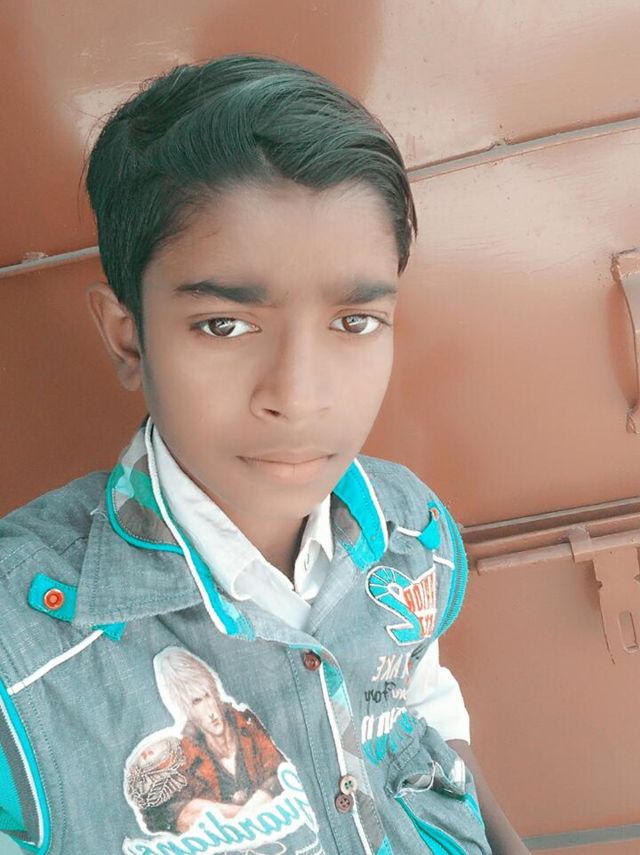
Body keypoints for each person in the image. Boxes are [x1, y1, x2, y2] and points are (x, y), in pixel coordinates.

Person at [0, 54, 530, 854]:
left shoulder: (406, 524)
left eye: (354, 322)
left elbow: (421, 700)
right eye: (226, 324)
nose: (299, 395)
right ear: (127, 337)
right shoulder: (20, 654)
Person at [126, 648, 285, 834]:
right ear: (185, 709)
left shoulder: (250, 725)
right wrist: (241, 815)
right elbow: (159, 815)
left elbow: (283, 768)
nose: (210, 711)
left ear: (215, 692)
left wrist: (264, 794)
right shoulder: (184, 755)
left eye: (207, 695)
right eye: (196, 702)